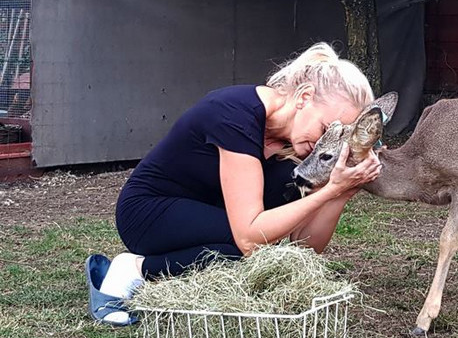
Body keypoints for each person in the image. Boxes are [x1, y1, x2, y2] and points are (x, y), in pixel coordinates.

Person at [85, 43, 381, 325]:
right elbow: (250, 238)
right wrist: (328, 190)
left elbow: (304, 246)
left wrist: (341, 193)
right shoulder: (235, 114)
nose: (323, 142)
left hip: (208, 212)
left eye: (336, 136)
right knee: (255, 248)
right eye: (326, 128)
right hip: (149, 211)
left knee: (272, 250)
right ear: (304, 97)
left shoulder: (295, 150)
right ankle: (134, 269)